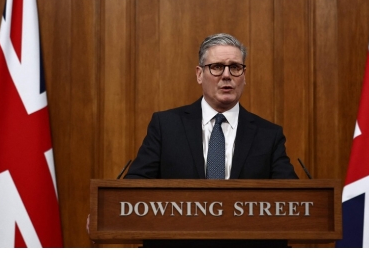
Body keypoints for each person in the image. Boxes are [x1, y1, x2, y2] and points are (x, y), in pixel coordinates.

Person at [125, 33, 298, 180]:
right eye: (217, 67)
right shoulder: (166, 126)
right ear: (200, 75)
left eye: (235, 67)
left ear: (244, 76)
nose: (226, 75)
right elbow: (134, 186)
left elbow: (292, 197)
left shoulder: (268, 135)